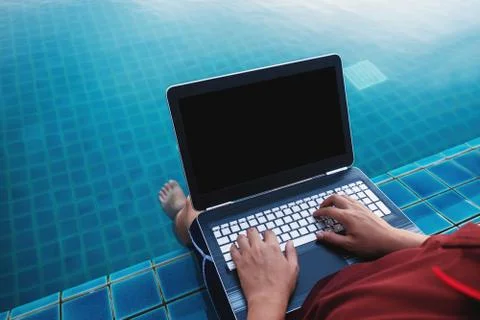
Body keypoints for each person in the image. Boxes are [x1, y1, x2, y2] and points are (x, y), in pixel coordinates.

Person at [159, 180, 480, 319]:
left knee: (201, 219)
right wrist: (394, 237)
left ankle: (182, 216)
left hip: (288, 306)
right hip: (368, 269)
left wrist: (266, 300)